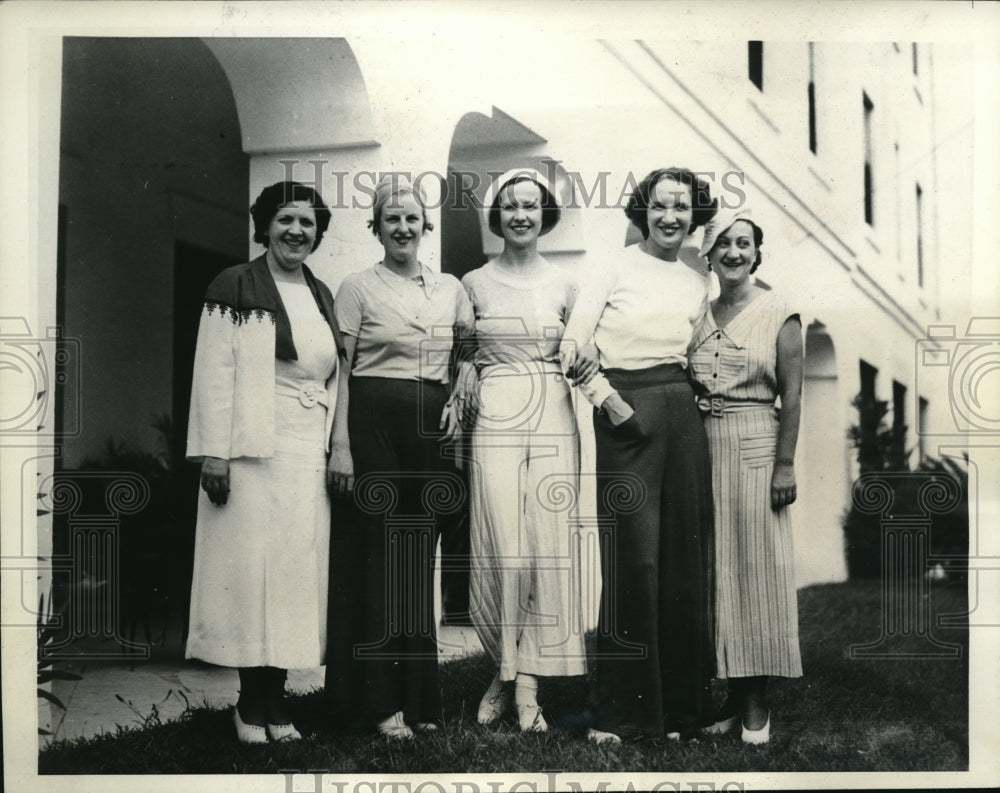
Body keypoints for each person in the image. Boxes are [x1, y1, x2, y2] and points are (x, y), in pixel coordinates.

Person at [560, 167, 717, 744]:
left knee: (681, 558)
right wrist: (609, 402)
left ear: (695, 216)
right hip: (626, 414)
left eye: (682, 206)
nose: (670, 216)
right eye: (660, 205)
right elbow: (572, 346)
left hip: (682, 416)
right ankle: (621, 713)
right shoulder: (612, 266)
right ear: (643, 210)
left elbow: (698, 354)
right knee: (635, 561)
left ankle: (679, 712)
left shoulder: (697, 282)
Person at [185, 181, 344, 744]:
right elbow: (213, 371)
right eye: (285, 220)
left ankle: (277, 702)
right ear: (265, 226)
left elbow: (335, 373)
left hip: (307, 449)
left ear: (318, 233)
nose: (296, 231)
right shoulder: (234, 283)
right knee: (252, 574)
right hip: (250, 447)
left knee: (294, 573)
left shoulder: (321, 293)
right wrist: (214, 452)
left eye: (307, 223)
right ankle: (250, 704)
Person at [325, 175, 475, 740]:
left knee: (415, 562)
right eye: (393, 219)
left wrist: (458, 398)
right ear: (377, 227)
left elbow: (468, 355)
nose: (403, 228)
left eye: (412, 218)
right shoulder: (357, 287)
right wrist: (341, 444)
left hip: (428, 431)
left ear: (425, 225)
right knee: (379, 559)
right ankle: (378, 703)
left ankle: (418, 701)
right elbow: (342, 372)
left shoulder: (450, 288)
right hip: (372, 426)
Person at [459, 169, 596, 733]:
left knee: (545, 545)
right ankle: (504, 667)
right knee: (505, 548)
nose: (520, 215)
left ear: (545, 216)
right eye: (510, 206)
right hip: (495, 411)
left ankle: (527, 686)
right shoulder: (472, 283)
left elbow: (585, 352)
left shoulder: (567, 285)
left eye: (530, 206)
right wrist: (467, 370)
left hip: (552, 414)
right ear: (497, 217)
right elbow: (460, 351)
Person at [688, 206, 803, 745]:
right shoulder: (698, 313)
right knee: (717, 572)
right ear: (708, 256)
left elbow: (793, 396)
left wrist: (785, 463)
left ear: (757, 254)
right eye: (723, 244)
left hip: (757, 443)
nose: (733, 252)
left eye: (744, 244)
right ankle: (732, 697)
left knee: (755, 571)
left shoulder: (780, 311)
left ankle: (756, 701)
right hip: (704, 446)